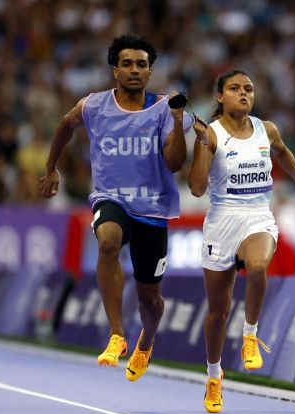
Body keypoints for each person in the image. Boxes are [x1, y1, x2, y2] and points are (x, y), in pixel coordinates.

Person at [40, 34, 192, 381]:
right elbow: (65, 125)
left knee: (150, 300)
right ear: (115, 71)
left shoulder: (163, 109)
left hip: (153, 209)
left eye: (141, 64)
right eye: (127, 64)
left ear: (150, 72)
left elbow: (173, 164)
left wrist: (179, 121)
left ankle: (146, 340)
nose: (134, 70)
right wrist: (51, 167)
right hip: (112, 197)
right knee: (107, 241)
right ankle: (117, 335)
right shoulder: (94, 105)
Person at [189, 69, 295, 413]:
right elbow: (197, 188)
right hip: (221, 220)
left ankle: (250, 336)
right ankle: (214, 377)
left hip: (259, 215)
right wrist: (201, 144)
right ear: (220, 97)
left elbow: (284, 152)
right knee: (217, 313)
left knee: (259, 264)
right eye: (234, 89)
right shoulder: (212, 134)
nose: (243, 94)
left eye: (249, 89)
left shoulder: (267, 129)